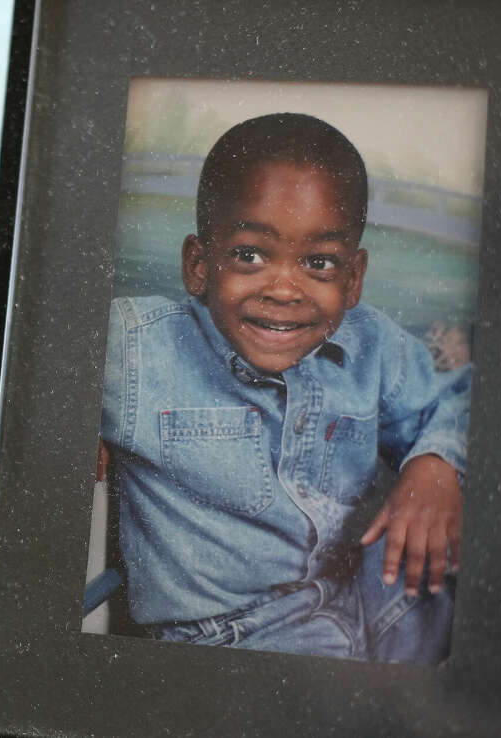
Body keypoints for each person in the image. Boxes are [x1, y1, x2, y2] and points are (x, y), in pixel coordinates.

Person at [98, 113, 471, 663]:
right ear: (198, 265)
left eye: (319, 263)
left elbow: (455, 400)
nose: (283, 288)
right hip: (239, 643)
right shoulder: (136, 347)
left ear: (353, 278)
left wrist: (436, 465)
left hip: (379, 596)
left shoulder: (374, 346)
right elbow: (36, 356)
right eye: (250, 254)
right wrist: (68, 415)